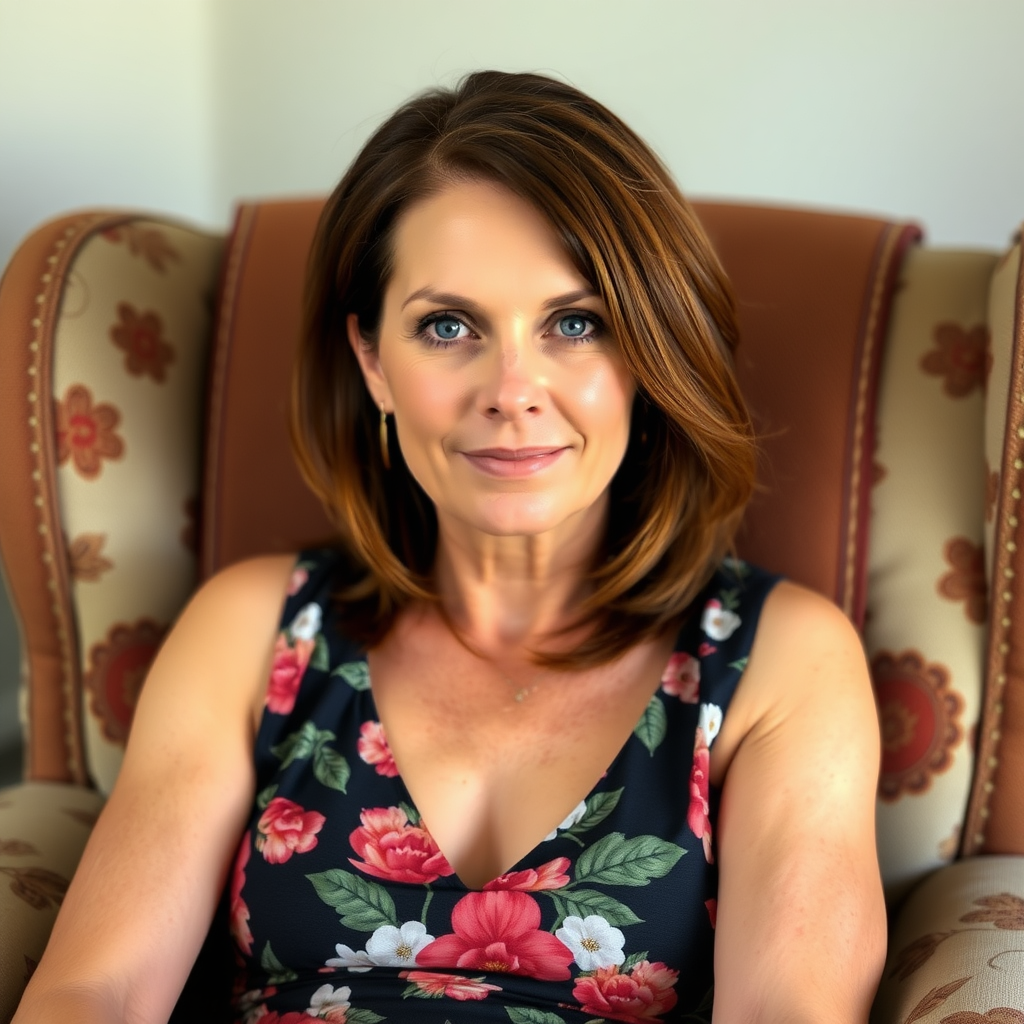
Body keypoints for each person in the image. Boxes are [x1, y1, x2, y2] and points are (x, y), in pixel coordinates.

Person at [13, 71, 885, 1024]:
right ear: (373, 362)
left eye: (575, 323)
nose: (512, 389)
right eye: (448, 326)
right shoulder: (255, 629)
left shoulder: (780, 662)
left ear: (650, 352)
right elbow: (95, 991)